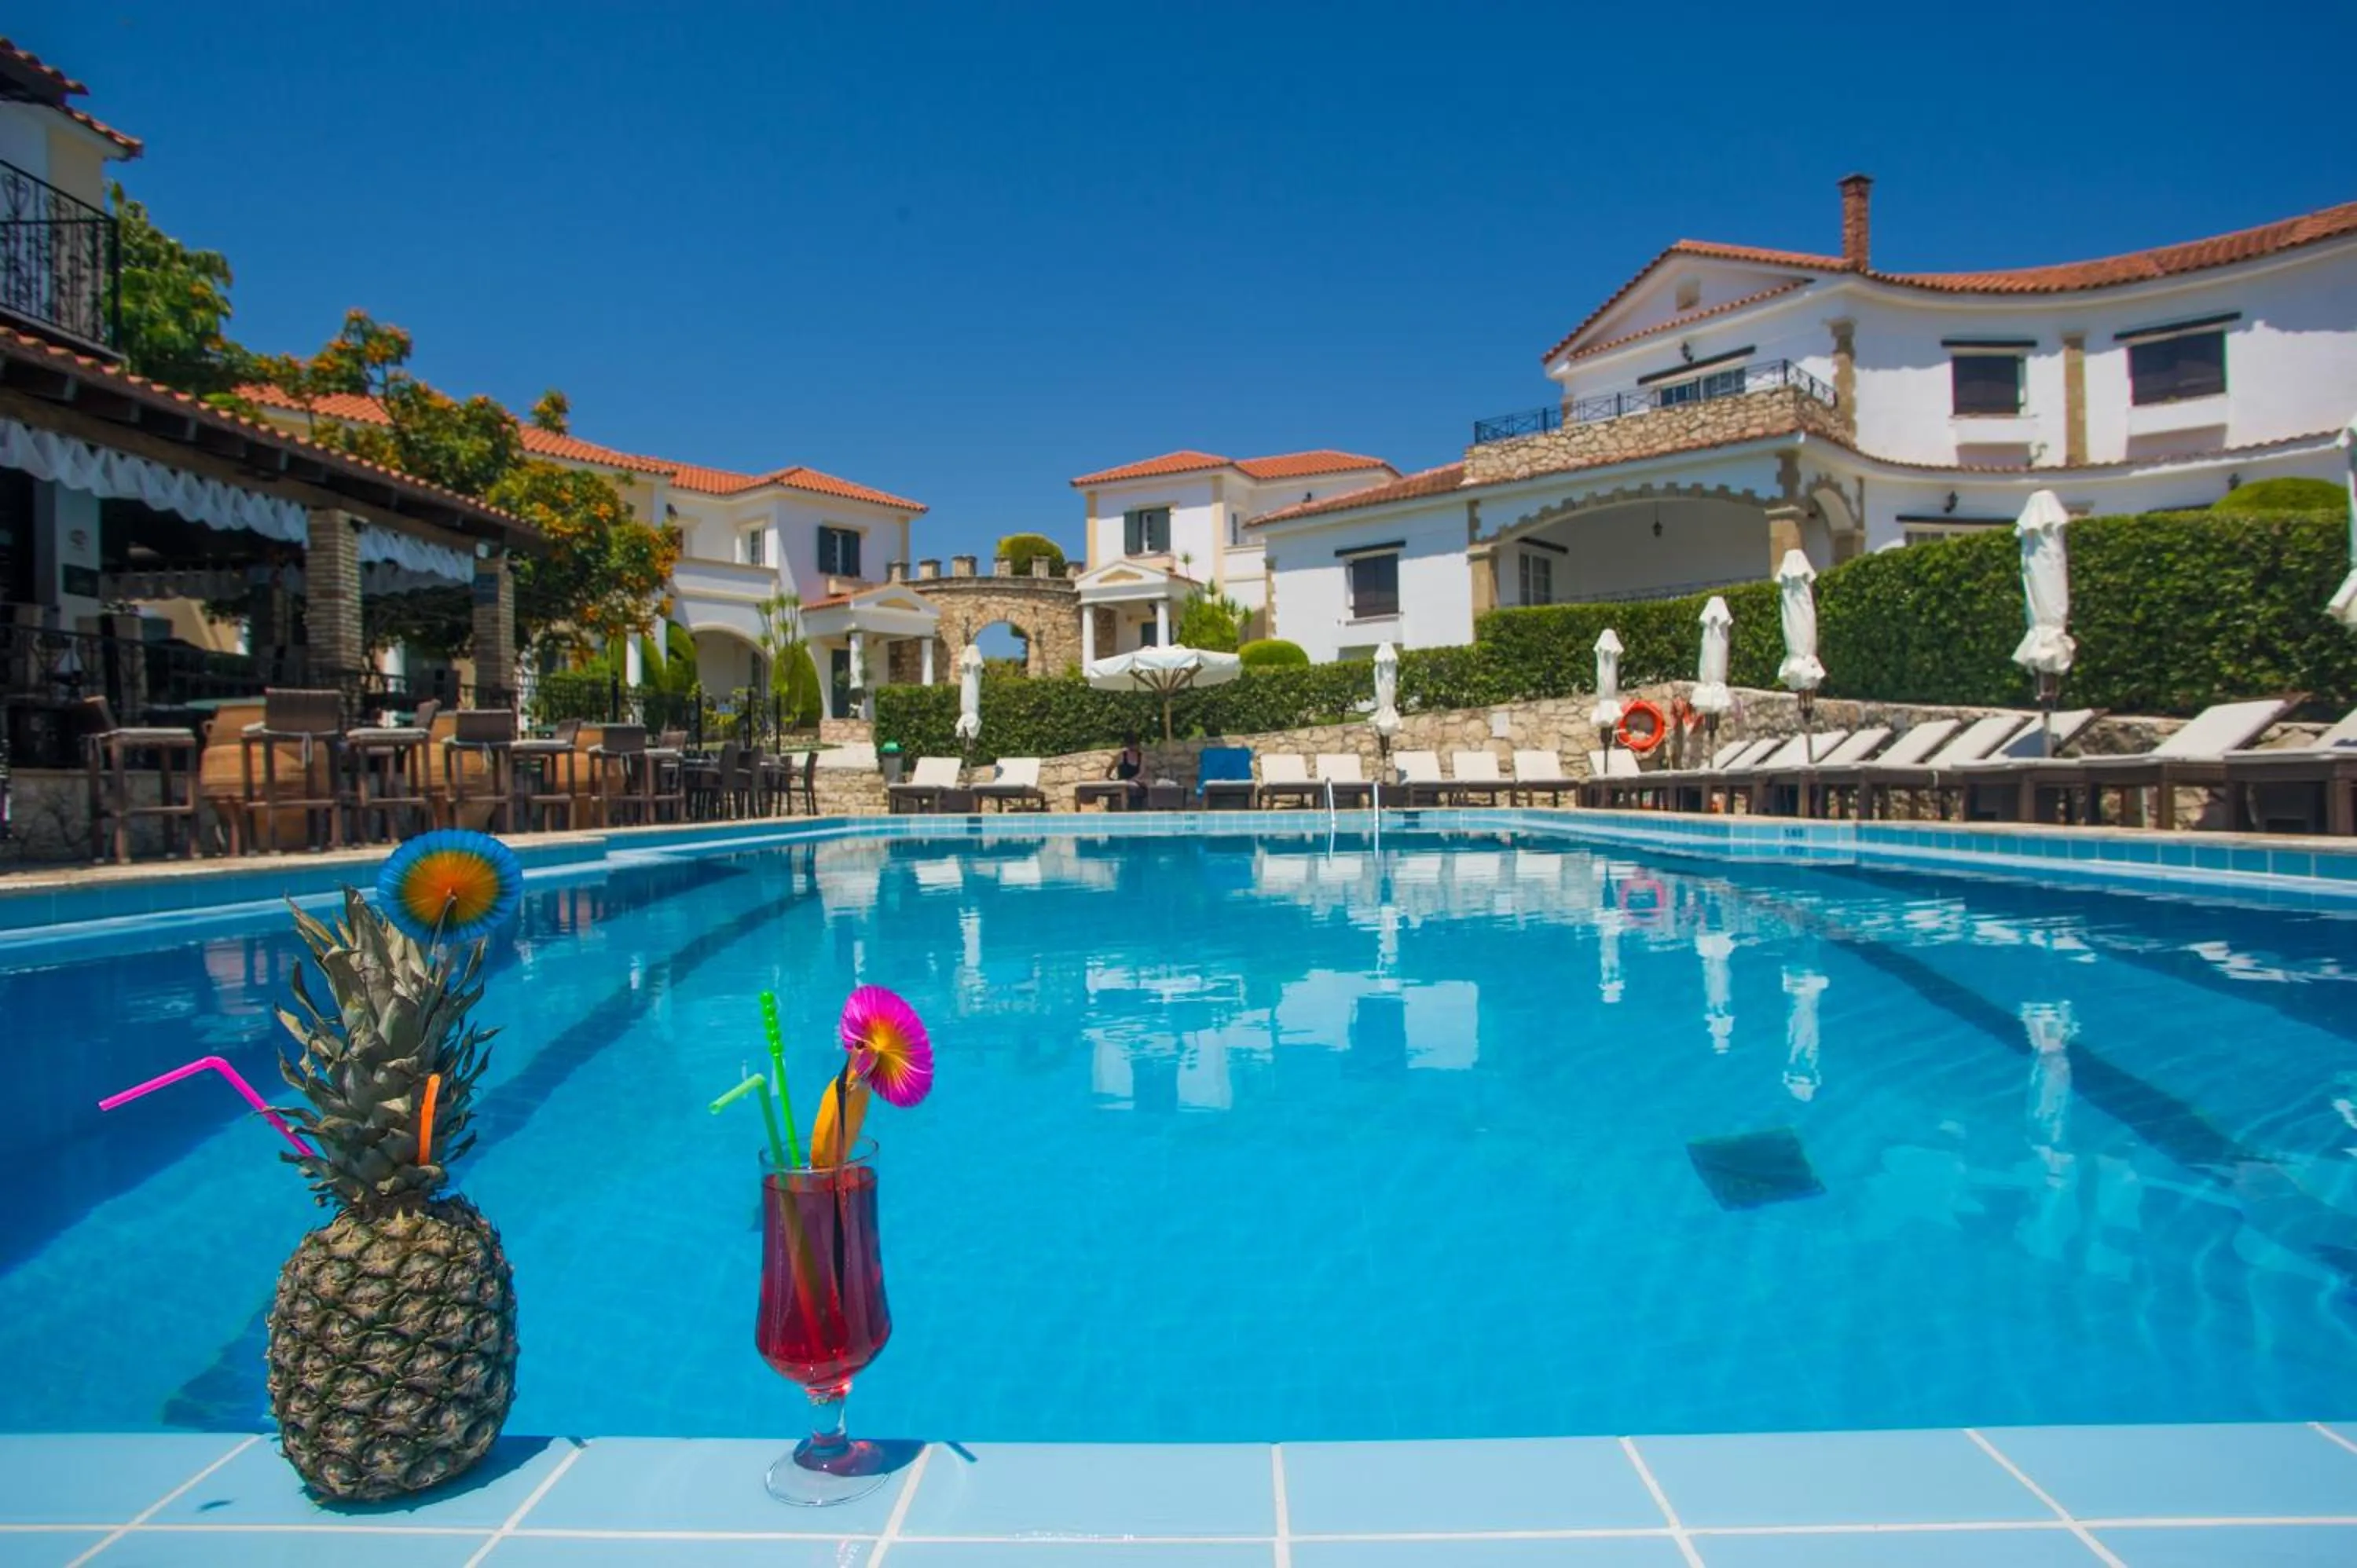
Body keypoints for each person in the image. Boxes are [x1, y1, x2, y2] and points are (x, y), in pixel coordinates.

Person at [1109, 732, 1146, 806]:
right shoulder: (1122, 756)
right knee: (1124, 791)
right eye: (1134, 744)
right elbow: (1110, 767)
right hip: (1122, 783)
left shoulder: (1141, 756)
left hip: (1135, 782)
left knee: (1137, 790)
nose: (1136, 746)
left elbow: (1142, 772)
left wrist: (1132, 780)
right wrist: (1109, 778)